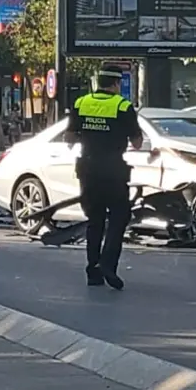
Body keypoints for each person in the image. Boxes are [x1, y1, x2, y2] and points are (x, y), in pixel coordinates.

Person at [65, 64, 142, 290]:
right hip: (113, 170)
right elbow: (137, 143)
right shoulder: (123, 106)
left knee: (94, 220)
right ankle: (108, 263)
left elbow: (69, 138)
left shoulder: (81, 103)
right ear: (116, 83)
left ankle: (93, 271)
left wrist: (89, 135)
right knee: (119, 217)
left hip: (88, 169)